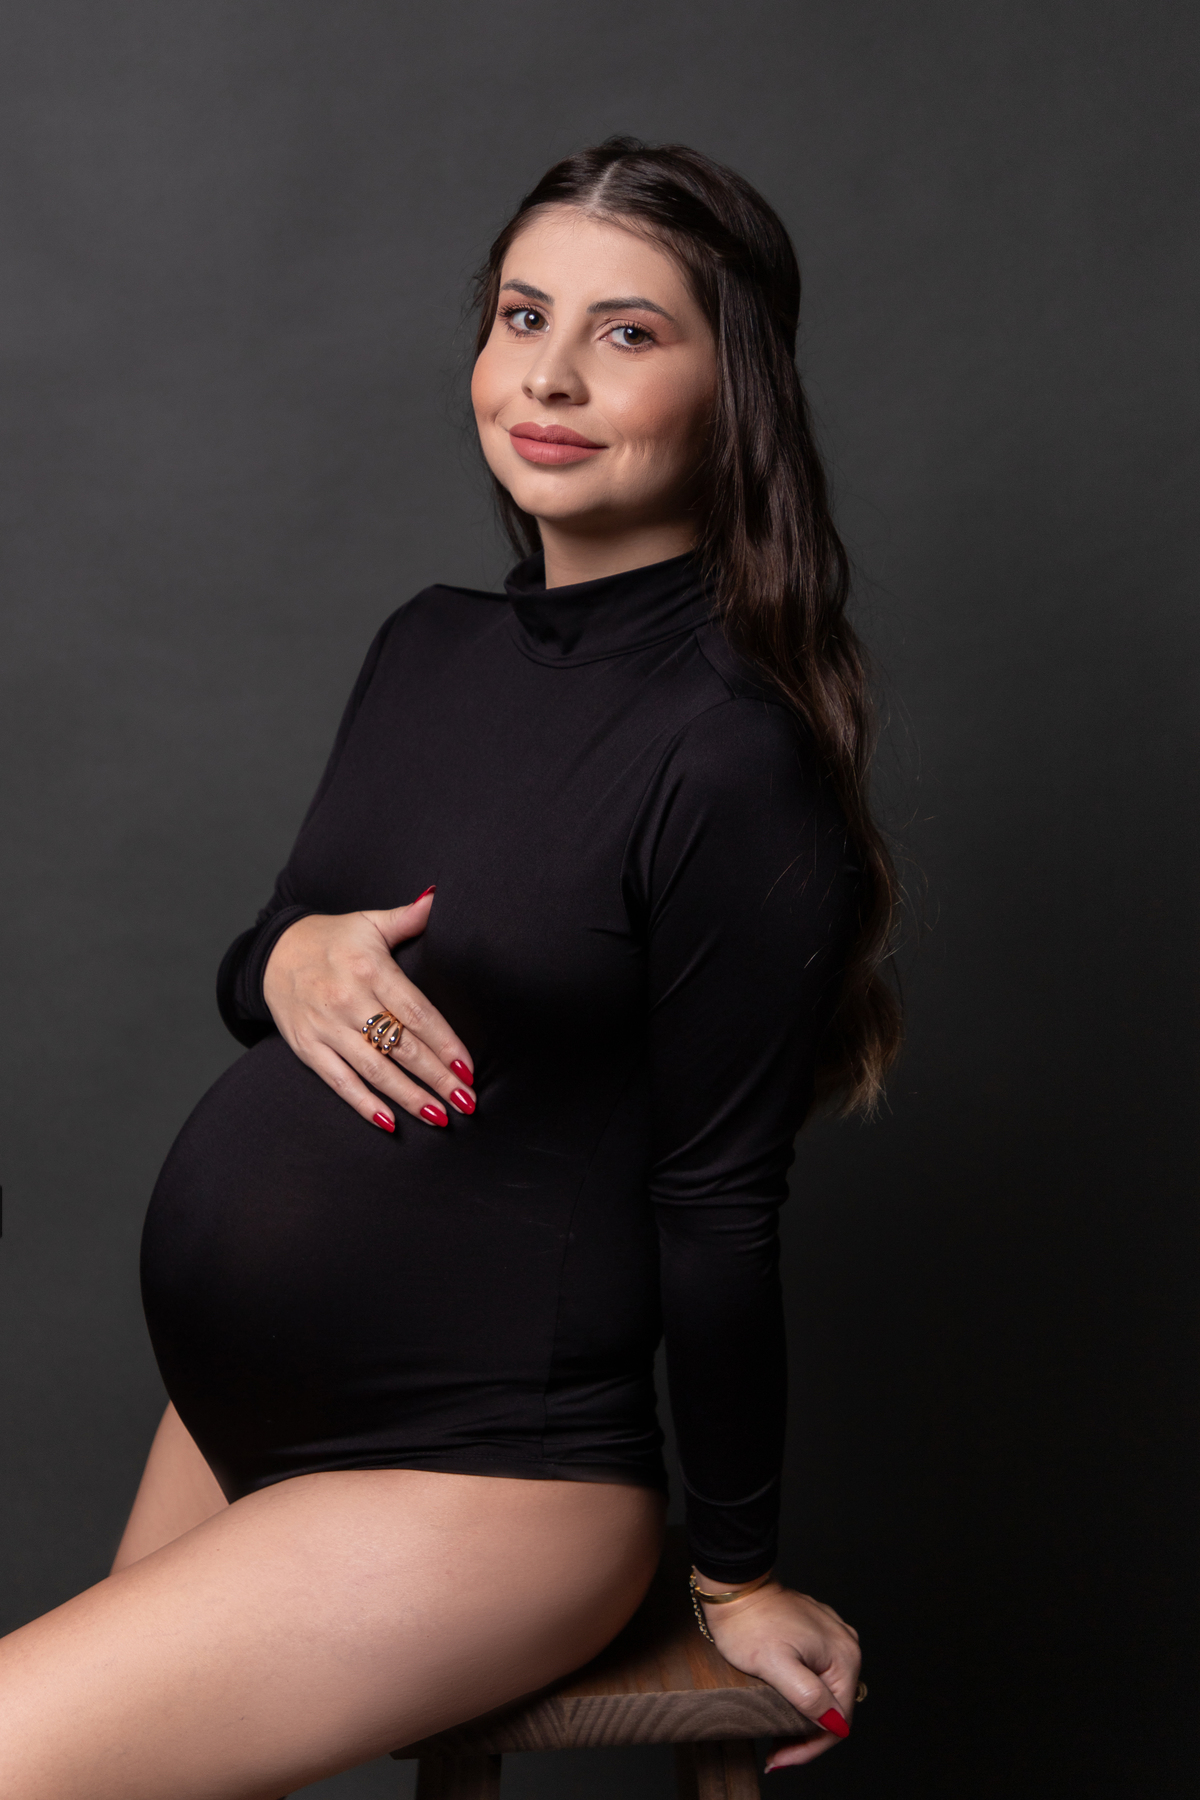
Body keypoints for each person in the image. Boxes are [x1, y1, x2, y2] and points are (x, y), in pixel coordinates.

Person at [0, 137, 899, 1795]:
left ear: (736, 391)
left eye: (629, 332)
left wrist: (740, 1573)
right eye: (522, 316)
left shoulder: (729, 750)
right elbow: (271, 963)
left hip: (486, 1474)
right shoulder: (426, 646)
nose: (548, 376)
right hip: (238, 1412)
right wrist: (283, 962)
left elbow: (718, 1204)